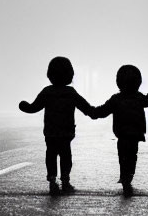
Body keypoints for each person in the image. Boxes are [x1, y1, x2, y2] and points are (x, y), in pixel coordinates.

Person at [19, 55, 94, 195]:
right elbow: (86, 107)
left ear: (50, 74)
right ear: (70, 75)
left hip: (51, 132)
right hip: (66, 132)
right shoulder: (70, 93)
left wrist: (24, 106)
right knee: (66, 155)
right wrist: (96, 112)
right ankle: (65, 177)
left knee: (51, 154)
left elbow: (34, 107)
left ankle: (52, 177)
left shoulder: (47, 92)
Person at [91, 64, 148, 197]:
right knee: (133, 155)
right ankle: (130, 174)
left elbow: (103, 111)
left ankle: (124, 175)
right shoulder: (139, 97)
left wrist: (91, 112)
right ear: (138, 82)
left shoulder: (116, 99)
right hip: (135, 133)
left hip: (122, 134)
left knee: (122, 155)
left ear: (118, 82)